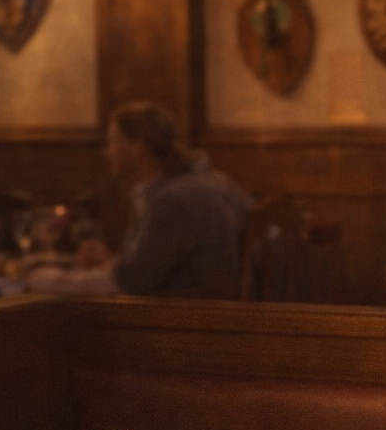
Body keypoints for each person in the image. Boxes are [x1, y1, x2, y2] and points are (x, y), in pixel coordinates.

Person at [69, 102, 251, 298]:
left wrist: (110, 266)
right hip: (207, 308)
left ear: (138, 148)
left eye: (114, 141)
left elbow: (134, 279)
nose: (107, 151)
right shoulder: (207, 181)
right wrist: (110, 260)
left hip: (187, 314)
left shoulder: (175, 199)